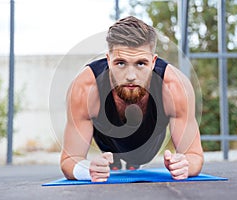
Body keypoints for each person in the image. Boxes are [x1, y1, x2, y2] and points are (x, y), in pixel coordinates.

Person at [60, 16, 204, 182]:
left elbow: (194, 156)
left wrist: (184, 165)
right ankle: (114, 157)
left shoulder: (174, 87)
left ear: (153, 62)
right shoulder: (84, 88)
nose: (130, 76)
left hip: (148, 143)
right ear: (108, 60)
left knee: (137, 158)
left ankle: (131, 161)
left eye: (141, 63)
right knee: (110, 151)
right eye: (120, 63)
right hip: (107, 141)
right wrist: (87, 170)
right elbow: (68, 160)